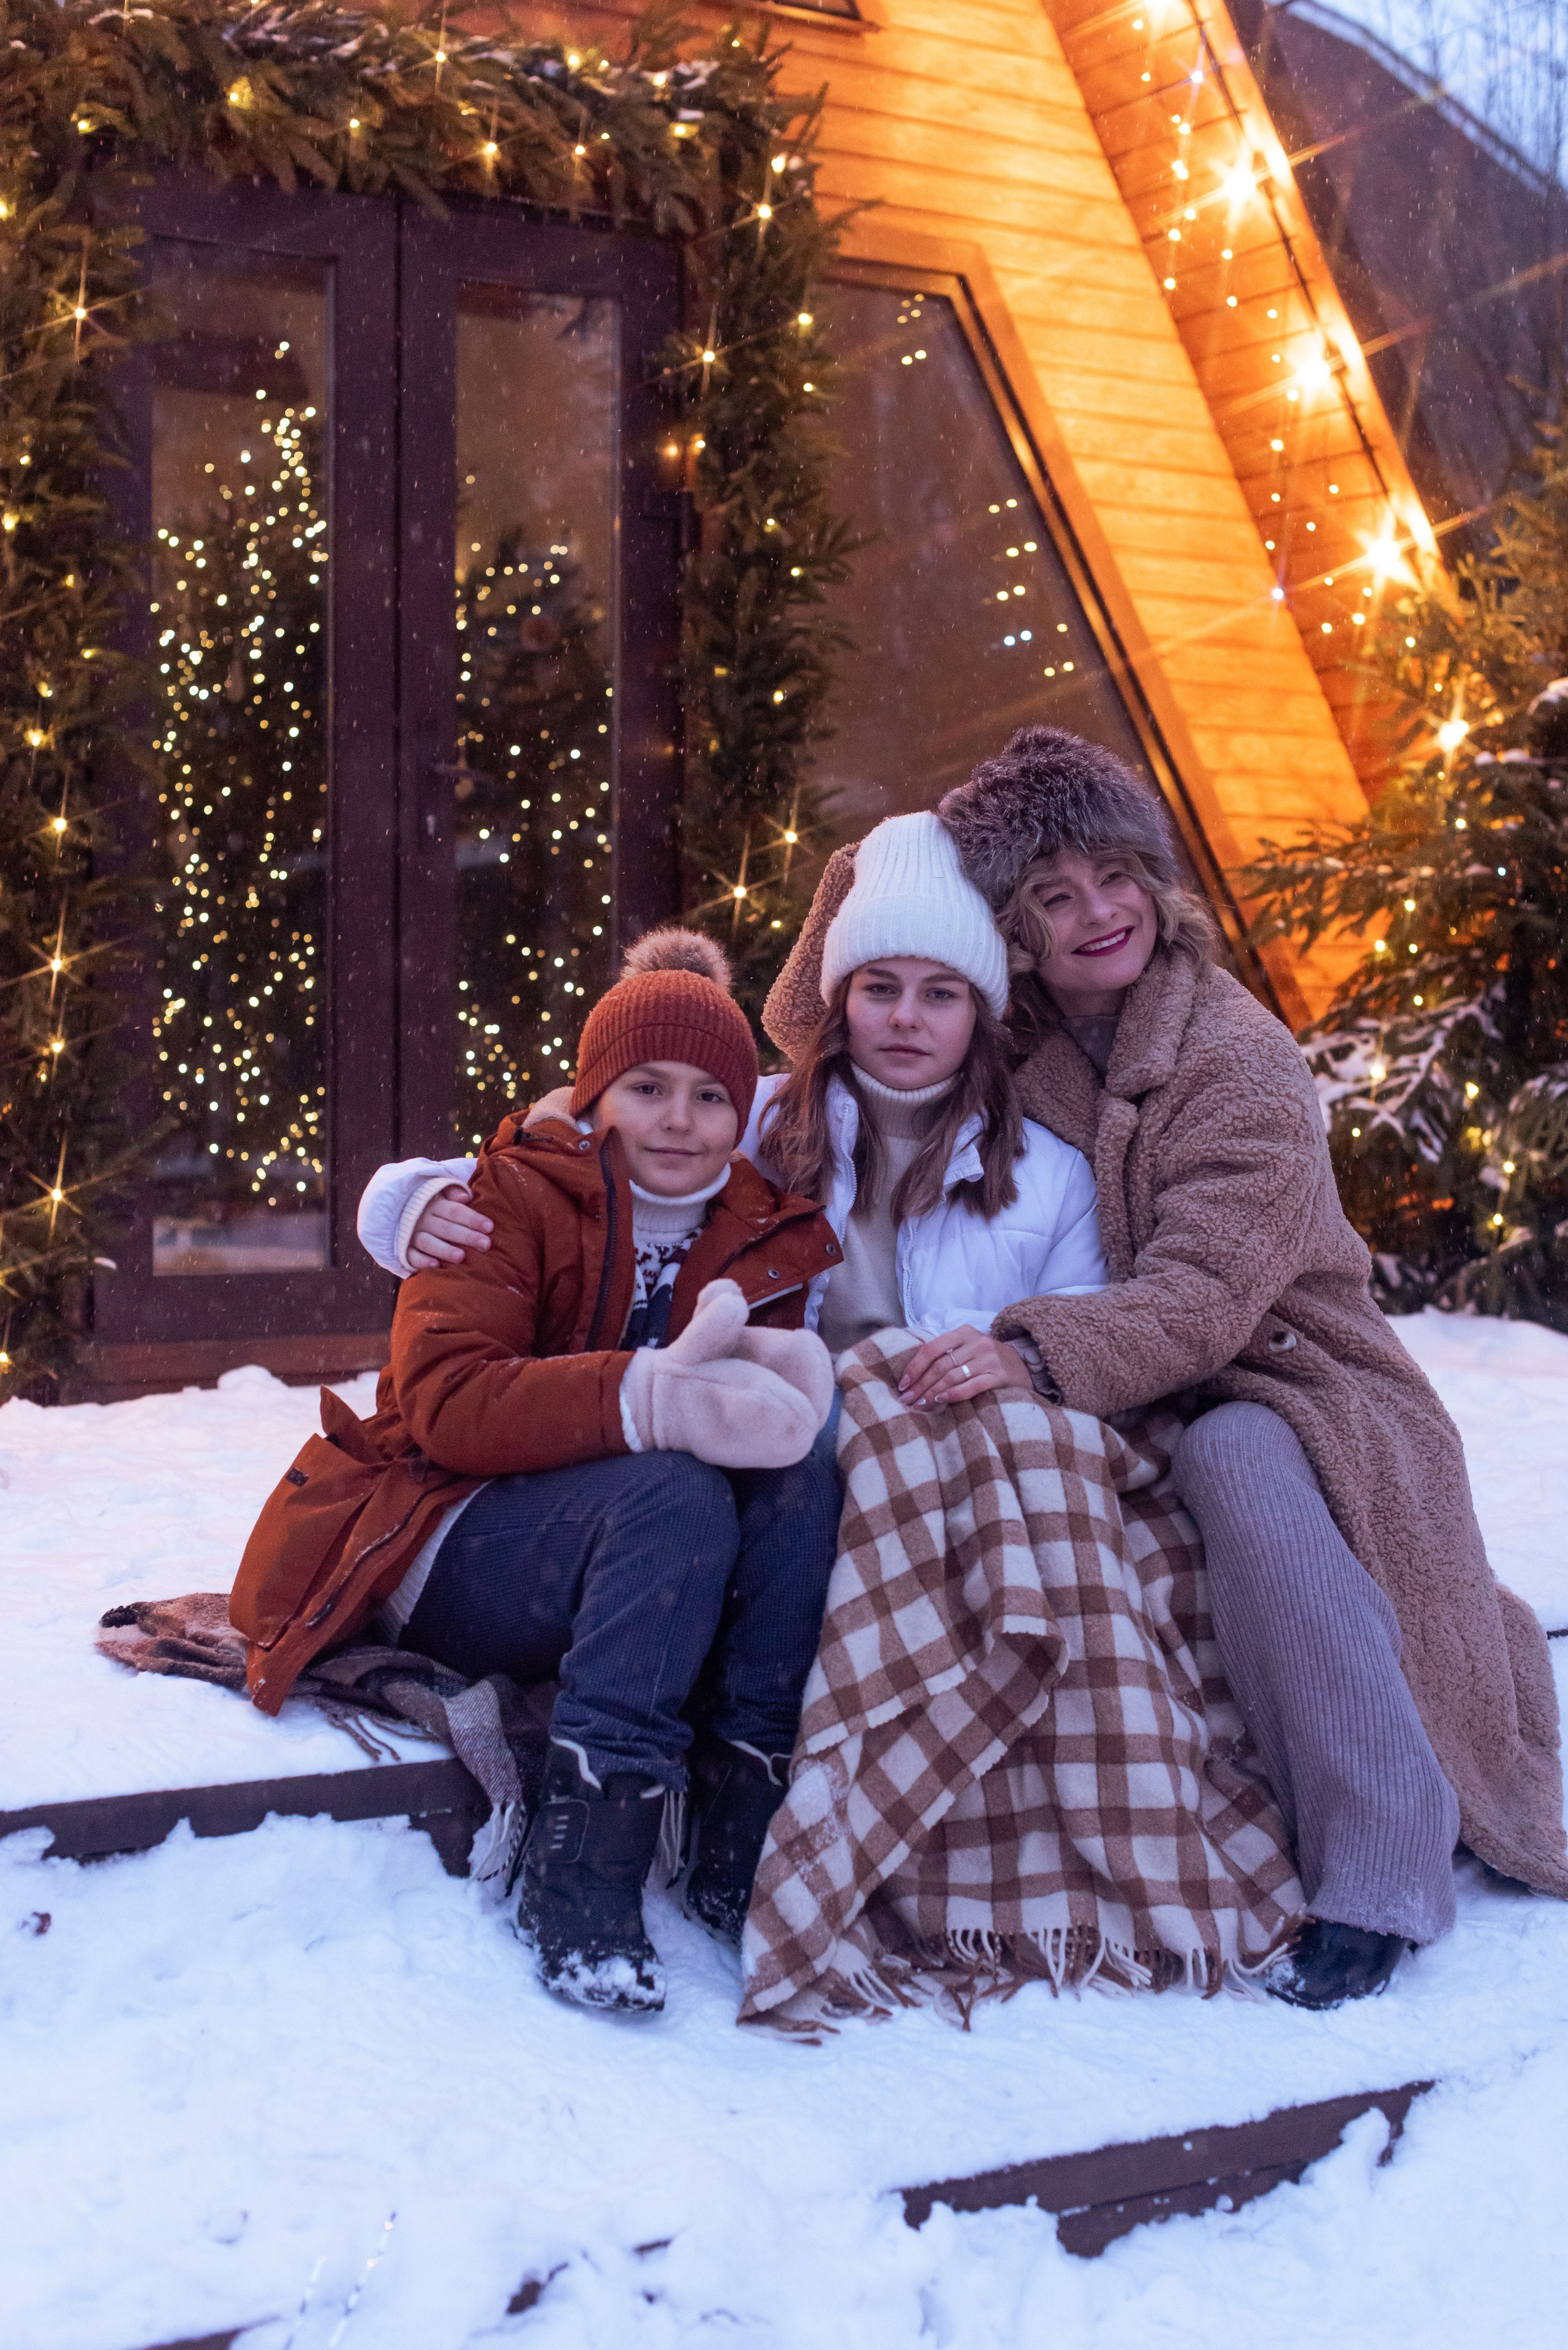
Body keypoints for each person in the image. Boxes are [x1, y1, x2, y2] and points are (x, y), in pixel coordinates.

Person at [763, 724, 1568, 2009]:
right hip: (1119, 1376)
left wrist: (1028, 1346)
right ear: (1010, 925)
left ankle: (1380, 1872)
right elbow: (809, 1011)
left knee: (1232, 1457)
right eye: (1048, 893)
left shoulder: (1231, 1055)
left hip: (1283, 1374)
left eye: (1115, 877)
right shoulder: (1010, 1023)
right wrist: (887, 861)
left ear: (1155, 876)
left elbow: (1203, 1296)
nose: (1095, 915)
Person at [232, 931, 843, 2016]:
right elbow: (449, 1403)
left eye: (711, 1096)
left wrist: (780, 1382)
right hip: (447, 1533)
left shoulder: (766, 1235)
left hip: (636, 1561)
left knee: (801, 1473)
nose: (677, 1118)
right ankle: (583, 1860)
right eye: (646, 1087)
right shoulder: (496, 1200)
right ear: (594, 1091)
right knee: (676, 1487)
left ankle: (740, 1818)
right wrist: (646, 1395)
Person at [361, 812, 1109, 1439]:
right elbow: (559, 1159)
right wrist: (408, 1200)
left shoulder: (1052, 1173)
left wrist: (1020, 1356)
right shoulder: (741, 1113)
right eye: (880, 988)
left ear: (979, 1015)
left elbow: (1075, 1332)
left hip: (959, 1435)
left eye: (940, 994)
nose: (905, 1017)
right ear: (841, 1001)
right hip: (790, 1436)